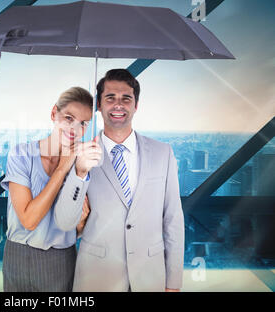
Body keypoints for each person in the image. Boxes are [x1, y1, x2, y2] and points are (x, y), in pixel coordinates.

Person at [54, 69, 185, 292]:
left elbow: (173, 219)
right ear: (99, 105)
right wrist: (80, 172)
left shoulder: (163, 153)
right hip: (96, 279)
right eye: (110, 98)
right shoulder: (78, 154)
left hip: (150, 277)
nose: (118, 105)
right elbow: (65, 223)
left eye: (126, 98)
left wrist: (173, 283)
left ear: (136, 106)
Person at [0, 87, 96, 292]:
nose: (75, 129)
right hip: (18, 255)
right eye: (69, 118)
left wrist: (79, 225)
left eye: (83, 123)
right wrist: (62, 168)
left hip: (60, 259)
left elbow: (79, 223)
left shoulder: (84, 165)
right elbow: (29, 220)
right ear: (54, 114)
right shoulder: (22, 154)